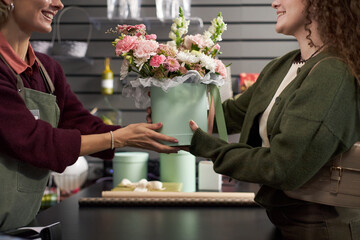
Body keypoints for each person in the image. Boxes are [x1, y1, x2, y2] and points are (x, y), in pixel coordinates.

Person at [0, 0, 180, 232]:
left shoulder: (47, 70)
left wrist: (143, 133)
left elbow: (81, 123)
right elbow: (33, 141)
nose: (58, 4)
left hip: (20, 228)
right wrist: (120, 138)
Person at [186, 0, 360, 239]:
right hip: (287, 223)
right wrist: (172, 108)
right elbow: (229, 115)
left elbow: (282, 167)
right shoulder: (282, 66)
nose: (274, 2)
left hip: (324, 229)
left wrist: (205, 147)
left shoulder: (333, 73)